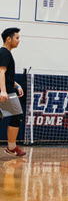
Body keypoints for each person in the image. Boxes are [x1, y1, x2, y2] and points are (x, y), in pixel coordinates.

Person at [0, 28, 25, 157]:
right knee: (17, 116)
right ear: (8, 39)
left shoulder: (5, 53)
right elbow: (1, 72)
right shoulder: (4, 52)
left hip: (8, 89)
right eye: (17, 38)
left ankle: (11, 147)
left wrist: (17, 84)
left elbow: (7, 75)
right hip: (6, 92)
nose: (19, 41)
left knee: (15, 116)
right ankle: (11, 147)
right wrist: (3, 91)